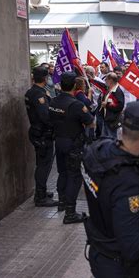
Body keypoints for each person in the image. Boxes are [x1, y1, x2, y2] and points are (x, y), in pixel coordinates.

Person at [83, 99, 139, 278]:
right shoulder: (128, 185)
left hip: (101, 253)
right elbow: (133, 248)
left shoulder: (99, 150)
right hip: (122, 271)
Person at [49, 72, 93, 223]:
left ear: (61, 85)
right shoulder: (76, 105)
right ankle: (70, 213)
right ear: (74, 86)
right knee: (74, 177)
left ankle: (61, 202)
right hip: (73, 144)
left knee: (62, 173)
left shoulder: (53, 101)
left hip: (59, 142)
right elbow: (91, 122)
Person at [25, 66, 58, 207]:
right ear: (45, 79)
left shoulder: (31, 91)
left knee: (42, 164)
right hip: (43, 134)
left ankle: (42, 191)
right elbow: (45, 117)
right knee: (44, 166)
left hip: (37, 132)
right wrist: (55, 126)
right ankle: (40, 196)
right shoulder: (39, 95)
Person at [100, 73, 125, 138]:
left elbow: (120, 106)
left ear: (110, 80)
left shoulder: (117, 92)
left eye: (106, 79)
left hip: (113, 121)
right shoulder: (109, 89)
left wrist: (107, 106)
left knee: (112, 140)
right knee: (105, 139)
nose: (105, 81)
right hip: (107, 119)